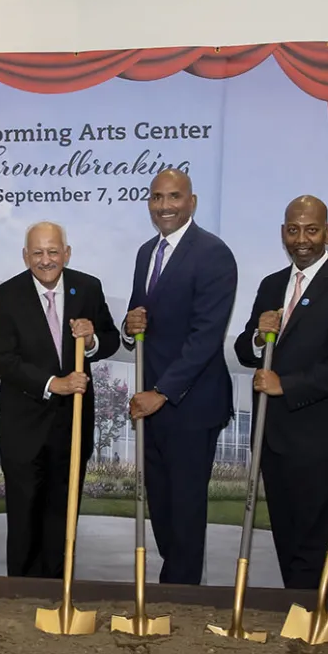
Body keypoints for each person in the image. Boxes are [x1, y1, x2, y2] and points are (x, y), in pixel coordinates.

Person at [233, 195, 328, 589]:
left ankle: (308, 621)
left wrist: (286, 385)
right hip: (271, 436)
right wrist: (260, 336)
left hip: (317, 441)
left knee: (312, 543)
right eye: (293, 230)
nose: (302, 239)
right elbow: (245, 351)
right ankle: (293, 613)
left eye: (311, 229)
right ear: (283, 234)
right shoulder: (271, 285)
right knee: (286, 536)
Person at [122, 168, 237, 585]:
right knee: (164, 506)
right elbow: (141, 321)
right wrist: (128, 324)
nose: (165, 206)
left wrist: (162, 393)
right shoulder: (145, 253)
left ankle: (180, 601)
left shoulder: (213, 253)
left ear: (192, 202)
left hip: (190, 404)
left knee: (186, 511)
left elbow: (206, 336)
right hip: (152, 404)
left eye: (174, 197)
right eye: (157, 198)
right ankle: (178, 586)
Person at [0, 221, 121, 578]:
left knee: (62, 514)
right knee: (24, 515)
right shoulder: (5, 296)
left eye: (52, 251)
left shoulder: (88, 288)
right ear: (25, 256)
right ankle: (22, 594)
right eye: (37, 253)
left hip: (71, 424)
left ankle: (57, 591)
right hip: (23, 425)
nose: (46, 260)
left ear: (66, 252)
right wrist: (53, 383)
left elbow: (110, 339)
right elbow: (3, 359)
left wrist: (92, 340)